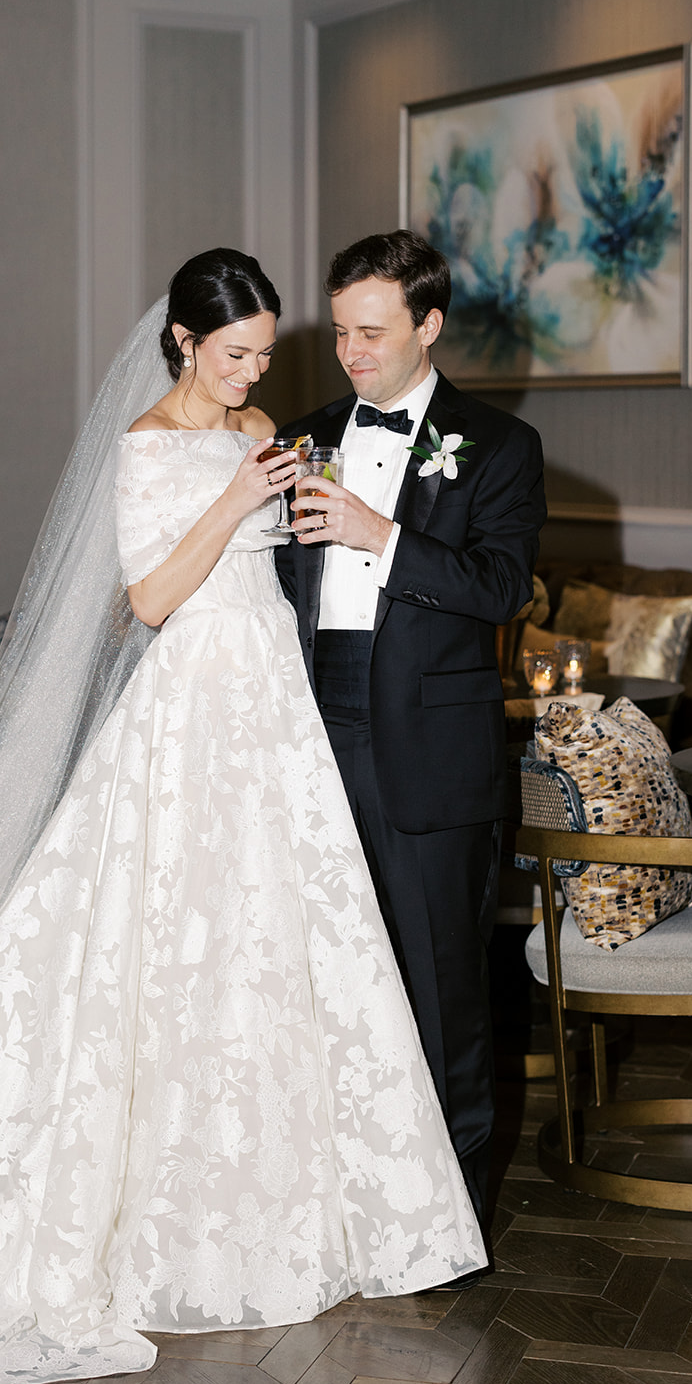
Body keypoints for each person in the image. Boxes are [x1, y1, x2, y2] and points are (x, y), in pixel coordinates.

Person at [0, 249, 485, 1384]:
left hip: (273, 711)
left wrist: (296, 502)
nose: (256, 372)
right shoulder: (146, 446)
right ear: (181, 345)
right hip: (190, 703)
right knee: (157, 949)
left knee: (283, 954)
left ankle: (300, 1206)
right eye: (235, 352)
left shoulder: (257, 424)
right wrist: (235, 499)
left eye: (264, 352)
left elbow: (286, 562)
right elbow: (148, 600)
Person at [275, 231, 546, 1271]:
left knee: (440, 994)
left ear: (427, 325)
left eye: (371, 332)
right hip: (304, 735)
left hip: (428, 755)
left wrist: (374, 533)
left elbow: (497, 588)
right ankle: (339, 1206)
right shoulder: (299, 437)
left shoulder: (497, 445)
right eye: (340, 330)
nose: (350, 352)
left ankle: (449, 1227)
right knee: (318, 986)